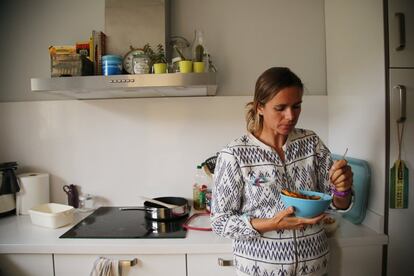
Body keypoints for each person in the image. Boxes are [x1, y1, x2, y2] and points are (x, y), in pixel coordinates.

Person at [210, 67, 353, 276]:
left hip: (314, 266)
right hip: (259, 269)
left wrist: (342, 189)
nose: (290, 116)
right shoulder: (235, 154)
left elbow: (334, 202)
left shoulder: (311, 143)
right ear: (260, 107)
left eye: (297, 106)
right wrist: (272, 223)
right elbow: (220, 222)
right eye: (280, 108)